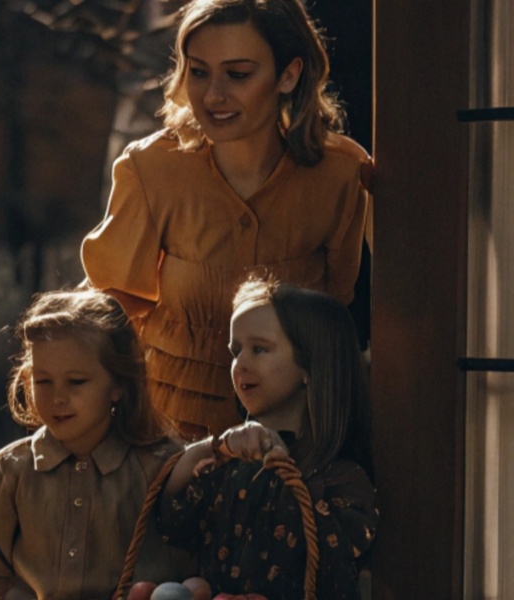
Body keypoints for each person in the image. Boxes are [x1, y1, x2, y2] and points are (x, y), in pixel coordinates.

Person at [81, 0, 372, 440]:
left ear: (288, 75)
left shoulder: (341, 174)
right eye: (198, 72)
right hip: (169, 442)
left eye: (238, 74)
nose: (213, 96)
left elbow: (337, 311)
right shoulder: (152, 169)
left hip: (299, 442)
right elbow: (109, 308)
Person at [156, 278, 377, 599]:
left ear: (309, 364)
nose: (240, 364)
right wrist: (218, 446)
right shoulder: (228, 463)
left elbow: (331, 566)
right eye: (236, 351)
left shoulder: (340, 478)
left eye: (259, 349)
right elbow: (171, 516)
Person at [0, 288, 191, 600]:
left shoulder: (159, 468)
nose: (58, 398)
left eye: (76, 382)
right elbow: (0, 579)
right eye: (43, 381)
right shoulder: (9, 472)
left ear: (118, 385)